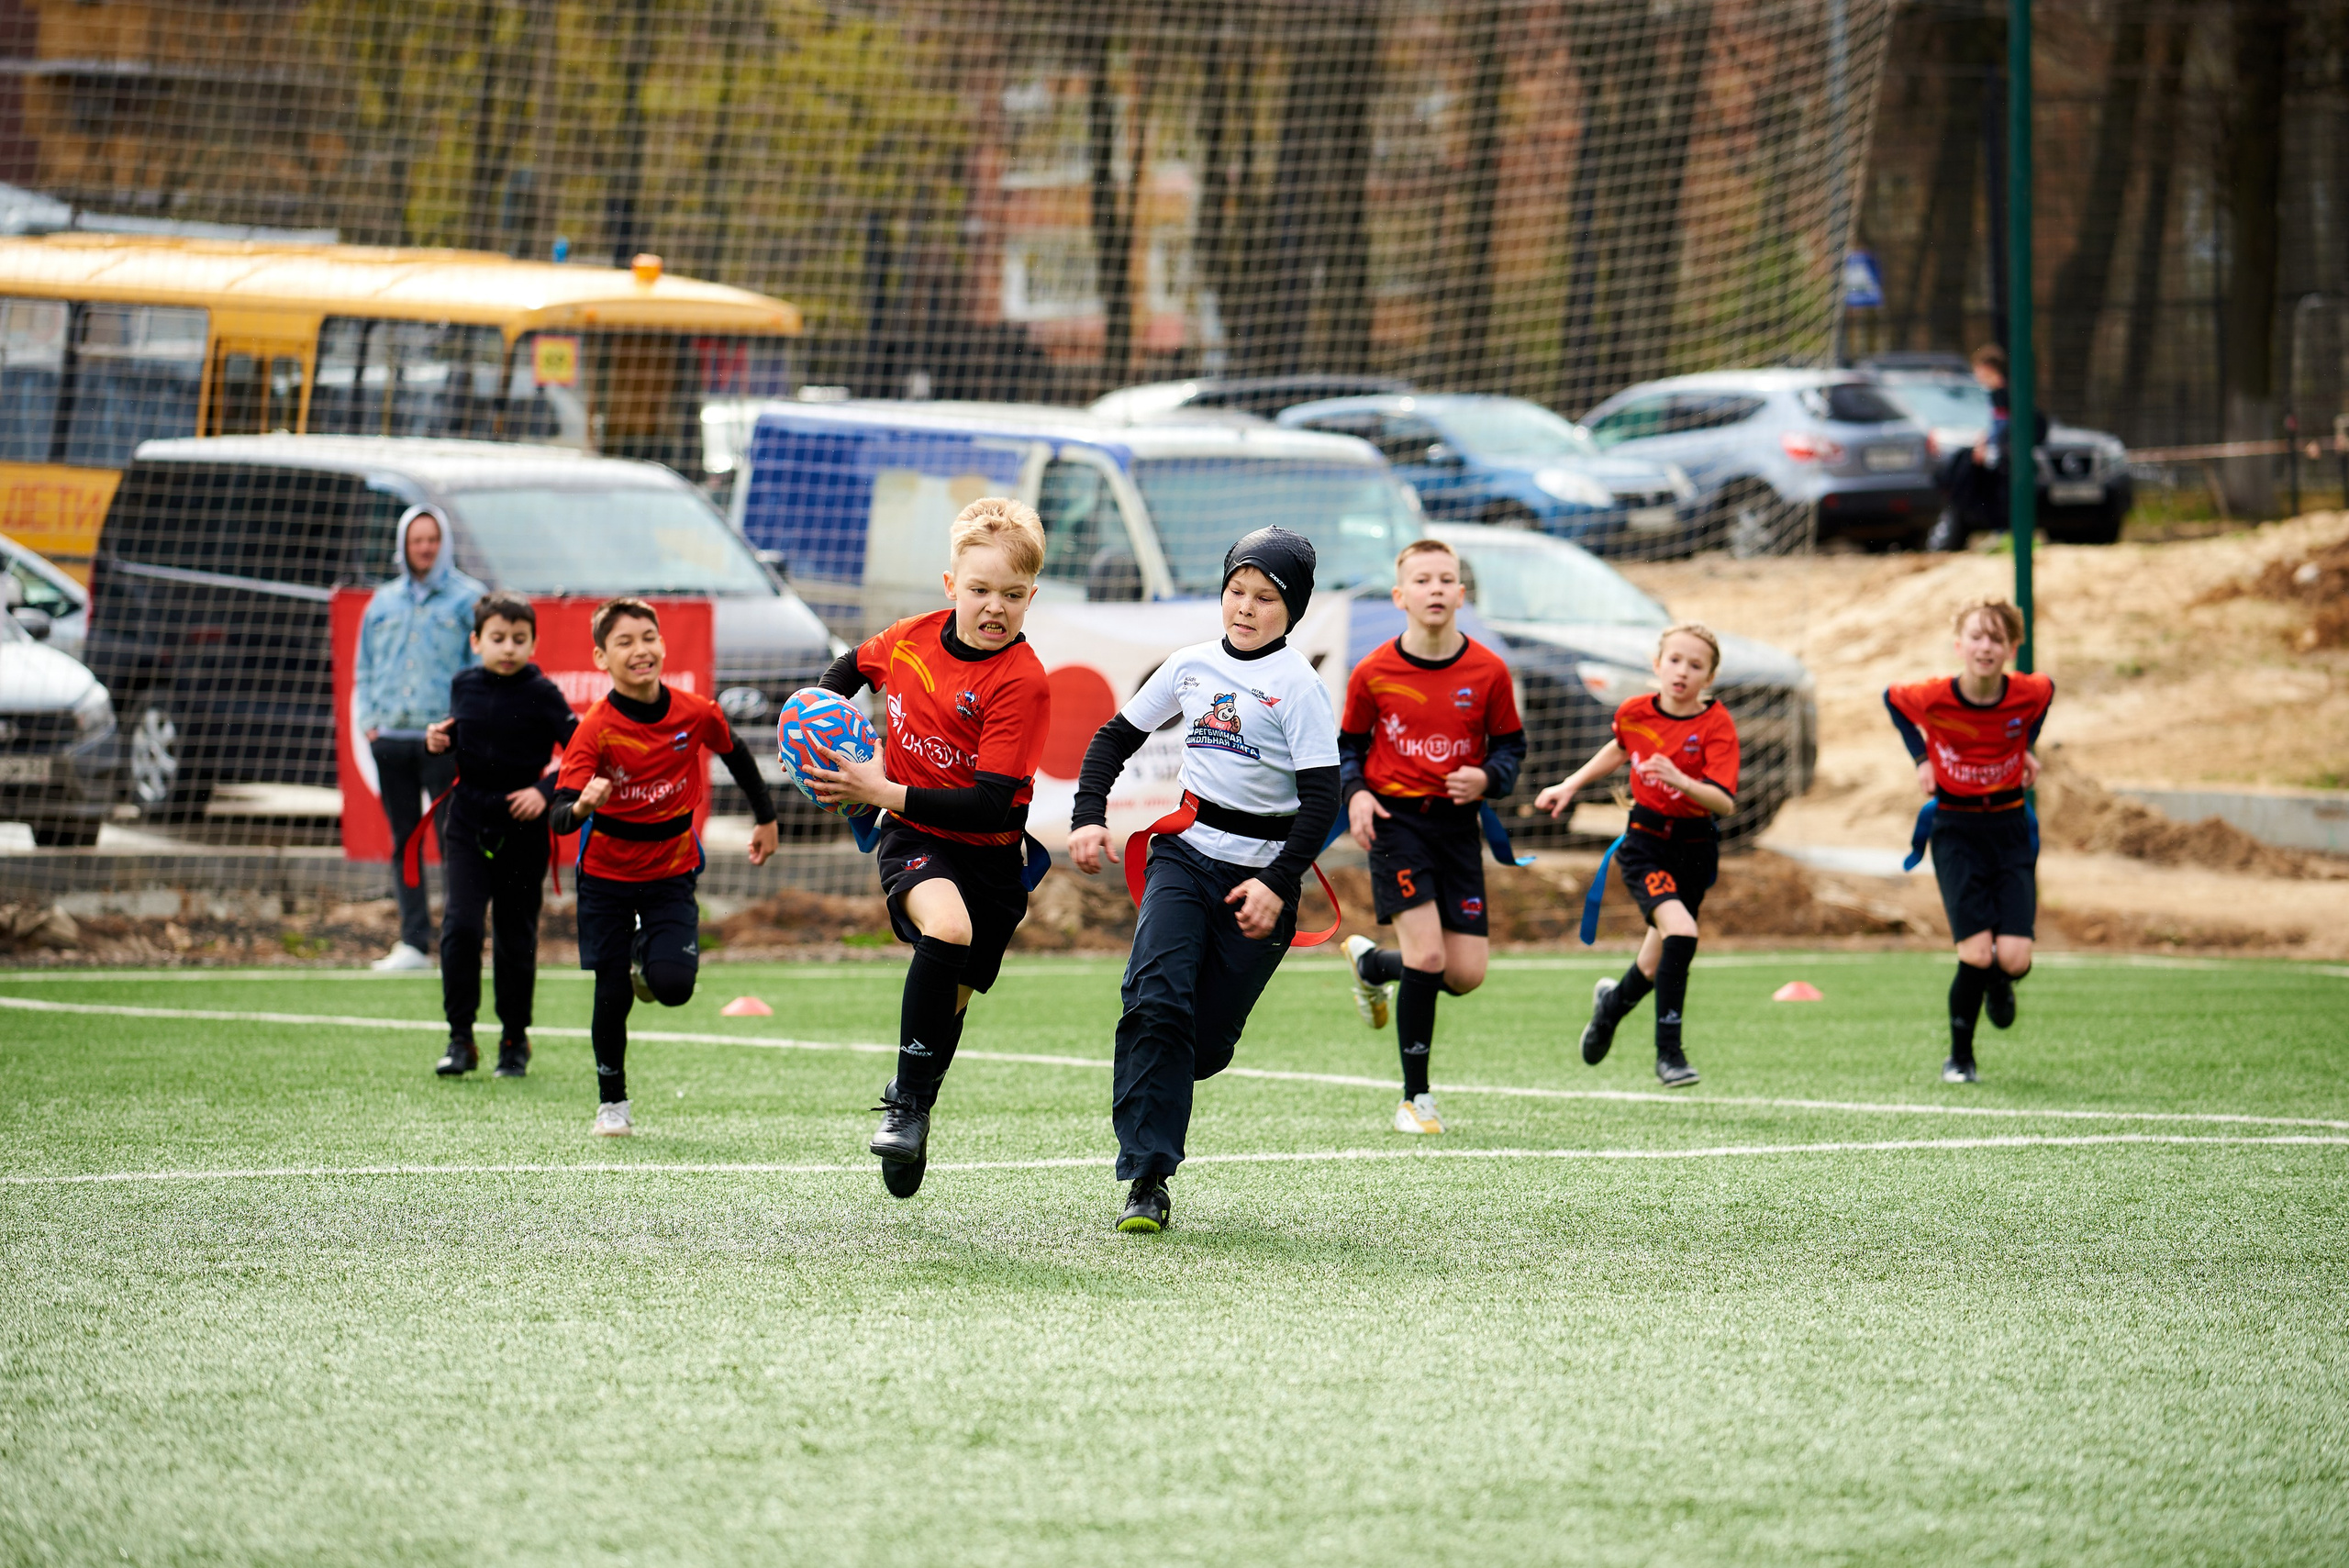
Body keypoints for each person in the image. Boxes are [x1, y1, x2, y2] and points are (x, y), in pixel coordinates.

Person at [1070, 527, 1341, 1233]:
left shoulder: (1300, 688)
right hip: (1183, 856)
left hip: (1265, 879)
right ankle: (1147, 1181)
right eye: (1236, 591)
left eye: (1265, 597)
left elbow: (1322, 803)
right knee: (1156, 1003)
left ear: (1294, 610)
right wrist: (1088, 815)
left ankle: (1159, 1079)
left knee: (1204, 1041)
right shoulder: (1188, 665)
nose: (1245, 608)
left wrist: (1277, 884)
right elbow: (1112, 739)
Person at [797, 497, 1054, 1199]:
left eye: (1010, 594)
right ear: (951, 588)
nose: (993, 606)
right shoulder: (911, 636)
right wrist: (822, 735)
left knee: (954, 1002)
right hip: (914, 836)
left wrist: (878, 788)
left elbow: (987, 804)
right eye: (979, 590)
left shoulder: (1022, 683)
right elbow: (847, 669)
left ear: (1032, 596)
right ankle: (906, 1108)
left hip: (991, 853)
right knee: (947, 927)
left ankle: (916, 1095)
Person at [547, 598, 780, 1136]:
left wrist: (765, 818)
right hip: (605, 878)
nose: (640, 649)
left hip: (672, 872)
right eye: (624, 642)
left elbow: (737, 753)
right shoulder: (595, 730)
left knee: (673, 988)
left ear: (662, 645)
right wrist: (583, 806)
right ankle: (613, 1103)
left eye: (647, 637)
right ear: (601, 658)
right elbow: (560, 816)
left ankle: (641, 952)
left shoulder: (695, 711)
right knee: (611, 991)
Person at [1336, 538, 1526, 1135]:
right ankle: (1415, 1099)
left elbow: (1512, 748)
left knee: (1464, 972)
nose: (1436, 588)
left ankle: (1372, 966)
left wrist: (1488, 777)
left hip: (1456, 830)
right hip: (1397, 825)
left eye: (1446, 579)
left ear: (1462, 594)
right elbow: (1349, 748)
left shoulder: (1489, 670)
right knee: (1428, 956)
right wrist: (1357, 793)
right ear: (1400, 596)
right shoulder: (1373, 671)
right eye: (1422, 580)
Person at [1533, 624, 1738, 1088]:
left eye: (1696, 665)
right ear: (1657, 664)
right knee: (1682, 932)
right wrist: (1569, 785)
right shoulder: (1635, 712)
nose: (1682, 671)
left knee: (1653, 961)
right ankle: (1669, 1054)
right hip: (1645, 843)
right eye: (1675, 660)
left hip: (1696, 846)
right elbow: (1620, 747)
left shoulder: (1717, 724)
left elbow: (1725, 802)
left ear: (1708, 678)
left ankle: (1610, 1008)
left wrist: (1682, 781)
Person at [1886, 599, 2052, 1083]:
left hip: (2010, 826)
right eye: (1976, 636)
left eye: (1997, 639)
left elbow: (2045, 697)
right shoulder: (1934, 696)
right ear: (1958, 645)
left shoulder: (2030, 691)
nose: (1986, 646)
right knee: (1976, 953)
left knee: (2015, 959)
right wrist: (1921, 759)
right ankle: (1960, 1057)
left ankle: (2002, 982)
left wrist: (2028, 748)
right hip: (1956, 829)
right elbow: (1891, 699)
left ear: (2012, 649)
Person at [421, 592, 578, 1078]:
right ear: (476, 641)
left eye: (518, 638)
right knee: (461, 926)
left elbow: (581, 754)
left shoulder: (543, 692)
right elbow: (457, 737)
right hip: (467, 822)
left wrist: (544, 790)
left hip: (524, 828)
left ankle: (514, 1038)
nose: (507, 648)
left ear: (532, 642)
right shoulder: (462, 684)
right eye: (497, 638)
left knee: (516, 937)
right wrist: (437, 742)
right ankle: (460, 1038)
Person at [353, 505, 483, 971]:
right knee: (404, 839)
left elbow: (483, 670)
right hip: (391, 737)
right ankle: (413, 942)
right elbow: (363, 667)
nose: (425, 548)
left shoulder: (469, 599)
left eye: (432, 539)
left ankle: (459, 938)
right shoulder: (382, 603)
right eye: (416, 540)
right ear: (404, 545)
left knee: (455, 841)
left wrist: (462, 723)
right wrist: (370, 722)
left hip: (445, 740)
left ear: (443, 543)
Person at [1928, 343, 2050, 551]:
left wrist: (1988, 445)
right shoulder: (2000, 393)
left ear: (1988, 368)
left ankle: (2005, 534)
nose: (1976, 374)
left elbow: (2007, 425)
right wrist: (1984, 440)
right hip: (2003, 452)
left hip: (2006, 456)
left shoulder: (2003, 393)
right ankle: (1998, 532)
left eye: (1978, 369)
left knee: (1997, 491)